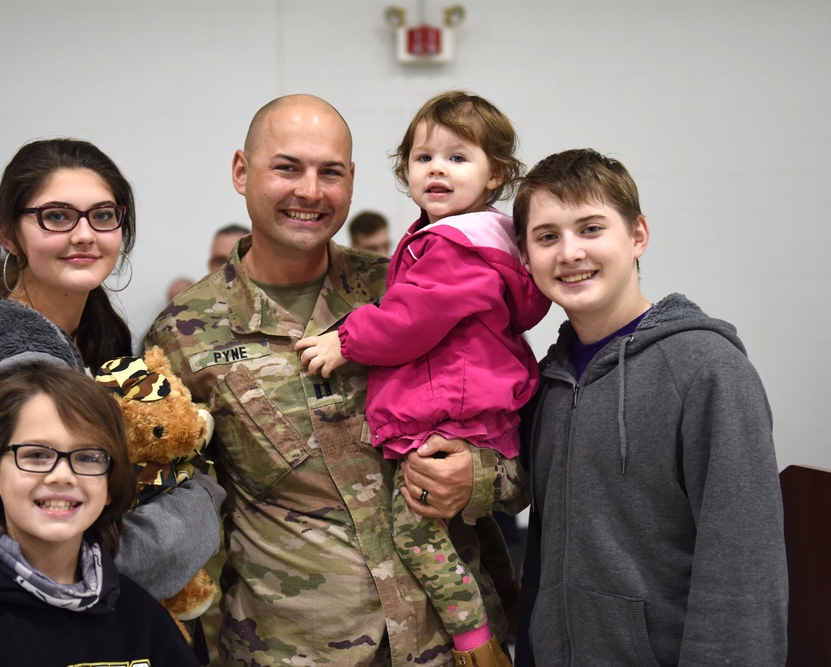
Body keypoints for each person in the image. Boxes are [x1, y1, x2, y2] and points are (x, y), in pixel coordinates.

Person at [146, 94, 527, 666]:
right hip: (295, 651)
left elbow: (525, 453)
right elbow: (180, 526)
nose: (310, 191)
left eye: (330, 172)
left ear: (351, 181)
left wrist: (476, 477)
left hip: (449, 645)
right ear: (241, 172)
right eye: (286, 167)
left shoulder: (412, 290)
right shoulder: (183, 336)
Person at [0, 139, 223, 604]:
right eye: (56, 217)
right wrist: (199, 498)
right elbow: (59, 563)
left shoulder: (95, 335)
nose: (84, 234)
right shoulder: (12, 374)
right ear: (8, 234)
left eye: (102, 215)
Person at [297, 90, 549, 665]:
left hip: (453, 412)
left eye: (459, 158)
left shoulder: (458, 247)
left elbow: (412, 320)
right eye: (422, 157)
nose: (436, 168)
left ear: (497, 175)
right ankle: (506, 607)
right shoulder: (464, 240)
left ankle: (476, 645)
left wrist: (346, 339)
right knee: (469, 532)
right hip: (462, 406)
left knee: (413, 532)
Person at [512, 149, 788, 666]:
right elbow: (544, 564)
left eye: (591, 229)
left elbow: (744, 573)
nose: (570, 252)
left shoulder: (708, 370)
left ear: (638, 235)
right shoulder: (547, 382)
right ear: (526, 259)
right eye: (547, 236)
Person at [0, 366, 199, 666]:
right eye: (37, 455)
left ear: (108, 485)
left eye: (88, 457)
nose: (62, 475)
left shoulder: (141, 618)